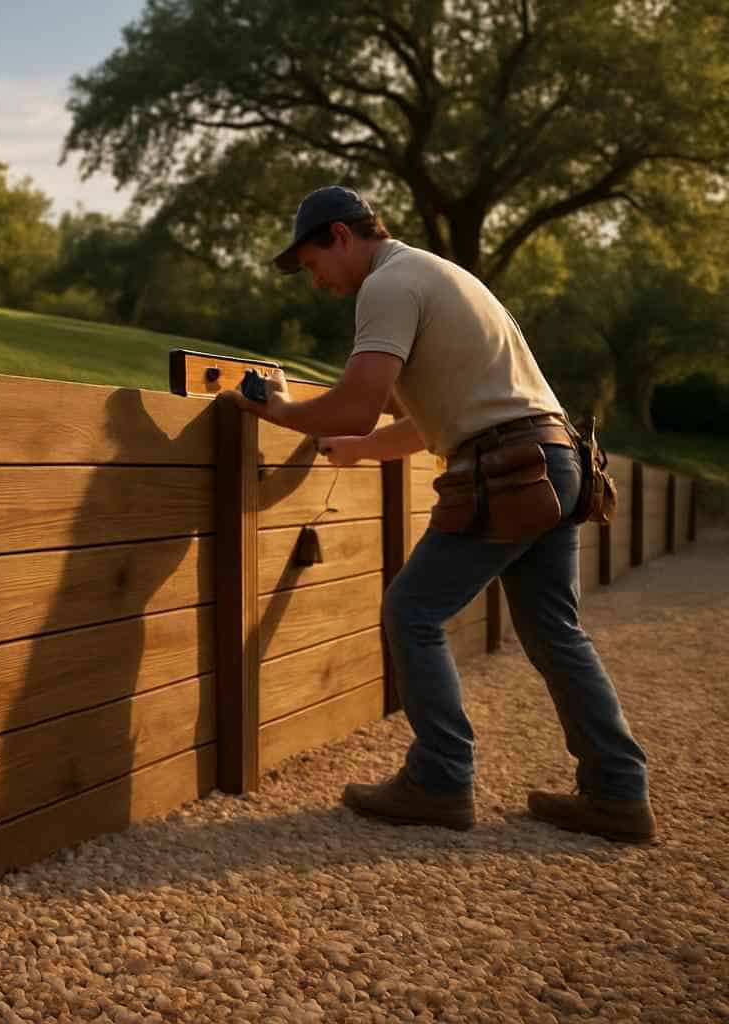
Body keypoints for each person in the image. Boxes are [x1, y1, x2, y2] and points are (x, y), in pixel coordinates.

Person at [226, 185, 654, 843]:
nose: (316, 283)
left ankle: (440, 779)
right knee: (554, 632)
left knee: (411, 611)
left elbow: (355, 404)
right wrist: (364, 450)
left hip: (509, 468)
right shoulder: (436, 274)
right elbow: (434, 421)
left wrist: (277, 410)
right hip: (556, 461)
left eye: (312, 264)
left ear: (340, 236)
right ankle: (618, 793)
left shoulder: (388, 285)